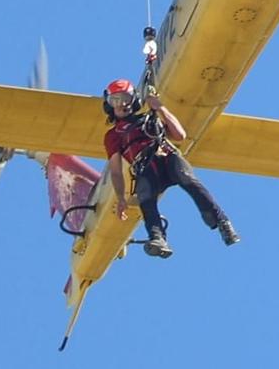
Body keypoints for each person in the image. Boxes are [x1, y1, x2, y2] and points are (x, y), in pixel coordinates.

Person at [101, 79, 240, 257]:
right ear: (109, 105)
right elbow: (115, 170)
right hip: (147, 168)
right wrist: (121, 198)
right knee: (146, 196)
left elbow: (179, 135)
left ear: (134, 99)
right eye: (116, 100)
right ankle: (157, 238)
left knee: (188, 180)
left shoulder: (148, 118)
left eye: (126, 98)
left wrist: (160, 108)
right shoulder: (113, 136)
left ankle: (222, 222)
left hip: (166, 157)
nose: (122, 104)